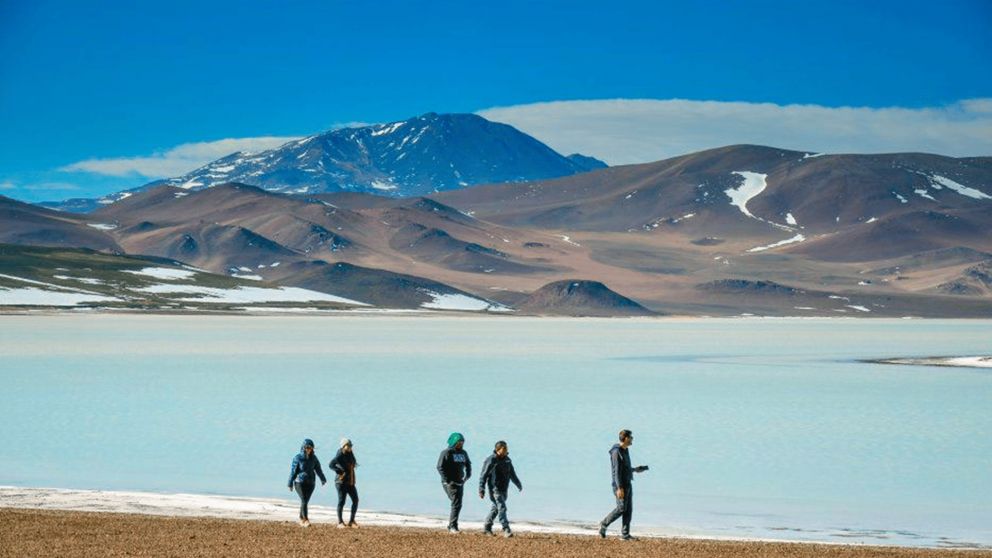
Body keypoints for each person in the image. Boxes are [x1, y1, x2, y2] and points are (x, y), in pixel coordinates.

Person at [598, 429, 648, 540]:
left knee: (628, 509)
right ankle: (604, 524)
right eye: (631, 437)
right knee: (621, 508)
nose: (632, 439)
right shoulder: (616, 452)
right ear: (625, 438)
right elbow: (616, 471)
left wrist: (635, 470)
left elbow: (625, 469)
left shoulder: (625, 450)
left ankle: (625, 535)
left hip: (628, 483)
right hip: (619, 486)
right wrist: (619, 488)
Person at [478, 440, 523, 537]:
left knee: (496, 508)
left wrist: (518, 483)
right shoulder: (491, 460)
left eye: (507, 448)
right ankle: (506, 529)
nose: (506, 450)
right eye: (504, 448)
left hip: (504, 488)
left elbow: (512, 474)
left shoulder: (507, 460)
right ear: (498, 449)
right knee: (502, 507)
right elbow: (483, 475)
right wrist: (481, 489)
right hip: (494, 489)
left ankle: (487, 527)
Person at [437, 432, 472, 533]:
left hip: (460, 482)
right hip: (449, 483)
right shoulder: (446, 453)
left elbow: (468, 464)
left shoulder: (463, 453)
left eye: (462, 442)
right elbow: (440, 467)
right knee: (456, 503)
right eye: (459, 442)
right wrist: (447, 480)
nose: (461, 444)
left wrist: (468, 475)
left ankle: (452, 525)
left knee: (457, 503)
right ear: (453, 442)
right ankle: (453, 526)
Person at [287, 438, 327, 527]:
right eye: (307, 447)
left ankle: (301, 518)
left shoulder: (314, 458)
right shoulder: (298, 458)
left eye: (311, 447)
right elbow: (293, 471)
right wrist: (290, 483)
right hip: (299, 482)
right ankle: (306, 520)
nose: (309, 449)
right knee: (304, 499)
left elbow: (318, 469)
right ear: (303, 447)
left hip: (311, 483)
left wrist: (323, 479)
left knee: (305, 501)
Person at [330, 437, 359, 528]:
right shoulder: (339, 455)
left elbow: (353, 463)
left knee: (355, 500)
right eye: (348, 445)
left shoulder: (350, 453)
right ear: (343, 446)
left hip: (350, 481)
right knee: (342, 501)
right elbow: (331, 465)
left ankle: (351, 521)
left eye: (351, 445)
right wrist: (340, 471)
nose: (350, 447)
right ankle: (340, 522)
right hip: (341, 481)